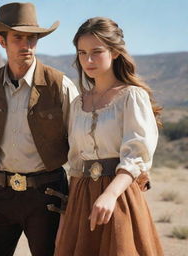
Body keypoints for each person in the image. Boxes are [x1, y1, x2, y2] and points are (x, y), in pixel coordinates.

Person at [0, 2, 78, 256]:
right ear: (2, 41)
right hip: (2, 191)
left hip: (49, 194)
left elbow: (79, 144)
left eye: (32, 38)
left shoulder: (59, 85)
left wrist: (76, 200)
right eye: (18, 37)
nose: (26, 45)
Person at [55, 17, 164, 256]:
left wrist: (110, 194)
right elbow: (75, 163)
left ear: (114, 52)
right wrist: (67, 216)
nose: (88, 60)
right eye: (82, 53)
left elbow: (137, 154)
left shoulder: (131, 97)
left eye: (97, 52)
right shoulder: (77, 104)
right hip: (81, 198)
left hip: (119, 195)